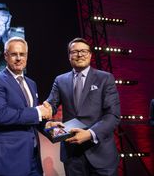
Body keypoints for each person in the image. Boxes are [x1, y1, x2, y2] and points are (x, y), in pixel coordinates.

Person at [44, 37, 121, 176]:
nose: (79, 55)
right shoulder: (60, 80)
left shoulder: (105, 78)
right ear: (69, 56)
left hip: (101, 154)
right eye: (75, 52)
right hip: (73, 155)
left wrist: (90, 134)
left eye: (84, 51)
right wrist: (47, 115)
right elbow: (51, 104)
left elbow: (113, 115)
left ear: (90, 55)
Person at [0, 36, 52, 176]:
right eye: (14, 54)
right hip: (7, 159)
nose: (19, 58)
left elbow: (30, 117)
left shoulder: (31, 83)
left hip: (32, 157)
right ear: (5, 56)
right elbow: (0, 115)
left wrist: (48, 126)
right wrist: (38, 112)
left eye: (22, 54)